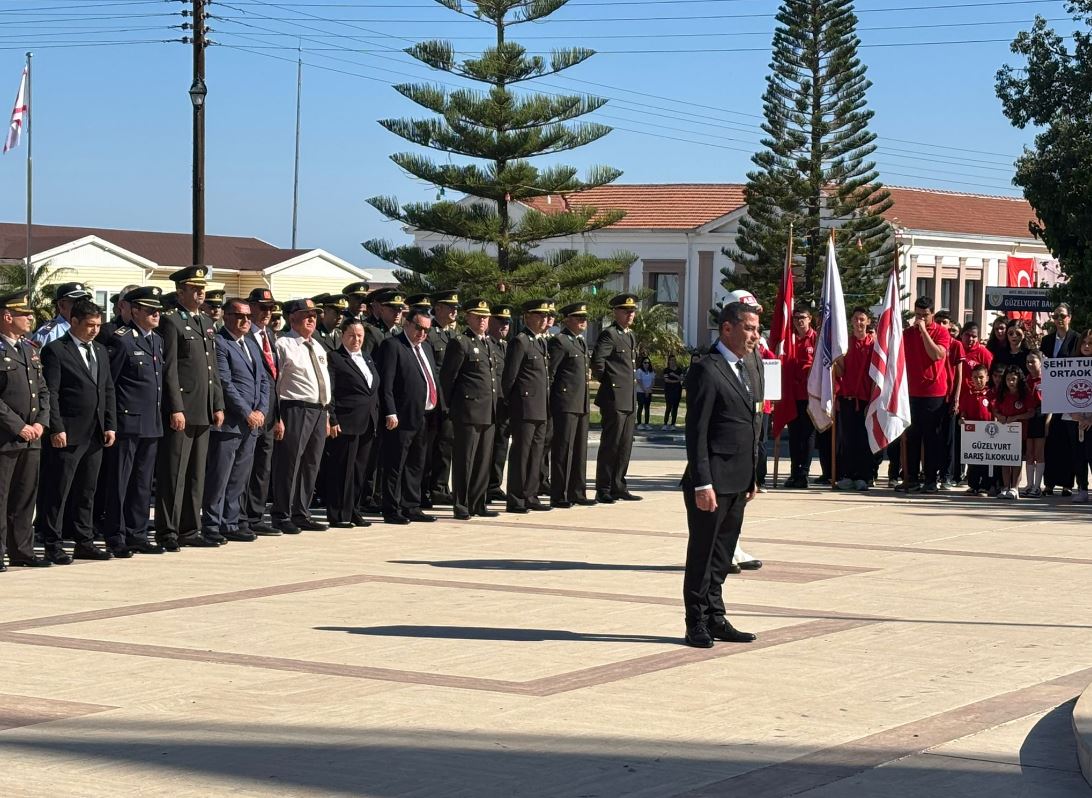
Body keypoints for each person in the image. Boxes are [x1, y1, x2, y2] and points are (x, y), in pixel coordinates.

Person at [681, 302, 764, 648]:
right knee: (703, 554)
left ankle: (715, 616)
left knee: (722, 555)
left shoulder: (752, 365)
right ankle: (695, 621)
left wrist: (754, 475)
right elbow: (696, 432)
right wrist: (703, 482)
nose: (755, 335)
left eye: (757, 329)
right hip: (712, 480)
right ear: (727, 328)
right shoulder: (707, 369)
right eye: (749, 328)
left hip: (739, 479)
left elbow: (755, 422)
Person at [36, 298, 116, 564]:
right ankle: (53, 543)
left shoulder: (100, 351)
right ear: (74, 322)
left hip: (95, 432)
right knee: (58, 491)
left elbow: (107, 389)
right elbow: (52, 393)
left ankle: (84, 541)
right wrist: (56, 427)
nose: (95, 330)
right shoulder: (56, 350)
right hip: (68, 433)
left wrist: (110, 424)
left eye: (98, 325)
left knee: (87, 491)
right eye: (90, 325)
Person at [155, 266, 225, 550]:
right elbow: (170, 368)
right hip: (183, 408)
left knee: (196, 474)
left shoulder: (206, 321)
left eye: (202, 289)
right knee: (174, 473)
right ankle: (168, 531)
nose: (200, 293)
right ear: (180, 292)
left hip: (203, 408)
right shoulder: (171, 321)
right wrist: (175, 407)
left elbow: (212, 369)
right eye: (194, 289)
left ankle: (190, 529)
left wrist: (217, 403)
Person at [102, 287, 167, 558]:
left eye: (158, 310)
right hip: (127, 422)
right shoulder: (122, 340)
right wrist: (111, 421)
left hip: (151, 422)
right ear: (135, 311)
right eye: (150, 310)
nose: (156, 315)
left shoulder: (157, 340)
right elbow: (110, 384)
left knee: (142, 483)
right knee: (120, 482)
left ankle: (137, 533)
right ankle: (116, 536)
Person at [203, 298, 270, 543]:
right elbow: (225, 382)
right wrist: (246, 412)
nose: (245, 321)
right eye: (239, 316)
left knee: (239, 476)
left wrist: (261, 410)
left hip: (252, 423)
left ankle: (230, 523)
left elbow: (263, 380)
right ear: (226, 316)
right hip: (231, 422)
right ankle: (212, 524)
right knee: (219, 476)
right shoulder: (220, 342)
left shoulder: (250, 344)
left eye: (248, 316)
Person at [270, 298, 332, 534]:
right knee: (290, 462)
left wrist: (327, 414)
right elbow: (275, 384)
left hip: (318, 410)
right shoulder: (283, 344)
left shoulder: (318, 346)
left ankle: (301, 512)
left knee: (311, 463)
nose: (312, 319)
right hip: (294, 408)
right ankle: (282, 514)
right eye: (306, 314)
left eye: (314, 315)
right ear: (292, 317)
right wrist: (277, 416)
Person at [376, 306, 442, 524]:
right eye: (418, 328)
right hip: (400, 417)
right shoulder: (393, 346)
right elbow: (386, 384)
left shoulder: (426, 348)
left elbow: (432, 379)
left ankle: (411, 505)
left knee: (416, 463)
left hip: (424, 415)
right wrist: (390, 411)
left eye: (427, 330)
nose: (422, 333)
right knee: (395, 464)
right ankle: (391, 508)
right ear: (407, 323)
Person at [0, 290, 51, 570]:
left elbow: (43, 391)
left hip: (32, 437)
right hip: (6, 438)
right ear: (8, 317)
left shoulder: (29, 349)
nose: (30, 318)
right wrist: (18, 426)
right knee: (1, 497)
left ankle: (22, 550)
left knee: (24, 498)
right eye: (24, 314)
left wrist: (41, 422)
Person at [439, 298, 500, 520]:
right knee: (465, 460)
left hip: (488, 410)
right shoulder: (461, 342)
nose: (482, 320)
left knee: (483, 460)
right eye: (478, 316)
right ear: (468, 317)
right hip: (467, 411)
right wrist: (449, 408)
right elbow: (448, 379)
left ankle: (478, 502)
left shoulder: (489, 343)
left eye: (485, 317)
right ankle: (461, 503)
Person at [323, 319, 380, 527]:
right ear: (342, 335)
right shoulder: (335, 358)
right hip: (346, 421)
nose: (356, 339)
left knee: (359, 470)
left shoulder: (367, 357)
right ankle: (338, 513)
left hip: (367, 421)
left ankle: (353, 509)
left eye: (360, 336)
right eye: (352, 335)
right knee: (342, 469)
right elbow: (330, 391)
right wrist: (332, 418)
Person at [502, 298, 554, 514]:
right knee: (521, 454)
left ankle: (530, 495)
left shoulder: (540, 342)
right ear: (527, 317)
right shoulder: (520, 341)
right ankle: (516, 498)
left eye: (545, 316)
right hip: (524, 407)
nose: (544, 319)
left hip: (541, 407)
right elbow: (509, 378)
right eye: (539, 315)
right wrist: (512, 406)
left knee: (536, 454)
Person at [592, 293, 641, 503]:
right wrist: (611, 384)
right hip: (614, 397)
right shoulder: (609, 334)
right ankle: (603, 488)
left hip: (629, 398)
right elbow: (598, 363)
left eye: (632, 311)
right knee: (611, 444)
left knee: (625, 445)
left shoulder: (630, 335)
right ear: (616, 312)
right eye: (626, 311)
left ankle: (618, 485)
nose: (630, 314)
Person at [241, 287, 283, 536]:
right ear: (251, 307)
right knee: (245, 466)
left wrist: (278, 417)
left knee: (262, 467)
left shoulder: (272, 337)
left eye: (270, 308)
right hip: (249, 411)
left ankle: (255, 515)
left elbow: (275, 380)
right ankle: (240, 516)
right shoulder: (244, 336)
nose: (267, 312)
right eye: (262, 307)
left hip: (269, 412)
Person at [901, 296, 952, 493]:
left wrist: (924, 332)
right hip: (911, 392)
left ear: (932, 314)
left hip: (934, 393)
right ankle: (911, 478)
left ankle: (931, 479)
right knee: (912, 437)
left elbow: (937, 354)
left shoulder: (941, 332)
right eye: (918, 315)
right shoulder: (907, 334)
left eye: (925, 315)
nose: (921, 318)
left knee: (931, 438)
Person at [548, 301, 595, 509]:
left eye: (584, 318)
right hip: (565, 403)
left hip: (581, 403)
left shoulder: (580, 342)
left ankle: (578, 491)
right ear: (567, 320)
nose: (583, 321)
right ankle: (560, 494)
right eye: (579, 318)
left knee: (579, 450)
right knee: (563, 449)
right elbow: (551, 374)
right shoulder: (560, 341)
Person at [834, 307, 876, 491]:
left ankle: (864, 476)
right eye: (855, 319)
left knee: (864, 440)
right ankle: (848, 475)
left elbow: (877, 376)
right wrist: (833, 360)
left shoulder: (873, 345)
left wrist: (873, 401)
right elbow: (840, 372)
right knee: (847, 439)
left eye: (862, 319)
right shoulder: (845, 345)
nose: (859, 323)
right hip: (847, 398)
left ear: (868, 322)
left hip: (866, 399)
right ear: (851, 322)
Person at [426, 289, 460, 506]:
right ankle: (428, 487)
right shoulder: (429, 334)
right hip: (434, 399)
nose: (454, 311)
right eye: (450, 307)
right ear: (437, 308)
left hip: (451, 399)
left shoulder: (454, 335)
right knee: (431, 445)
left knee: (446, 445)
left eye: (456, 308)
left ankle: (440, 486)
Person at [1043, 305, 1079, 496]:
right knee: (1051, 439)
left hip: (1072, 397)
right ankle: (1049, 483)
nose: (1059, 319)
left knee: (1069, 441)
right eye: (1055, 315)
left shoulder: (1077, 339)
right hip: (1052, 396)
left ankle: (1067, 484)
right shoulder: (1047, 340)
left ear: (1069, 317)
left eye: (1062, 316)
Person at [783, 304, 817, 488]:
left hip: (810, 395)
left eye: (802, 317)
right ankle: (794, 472)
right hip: (792, 395)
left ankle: (804, 473)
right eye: (795, 318)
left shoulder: (817, 339)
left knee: (808, 435)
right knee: (794, 435)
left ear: (810, 319)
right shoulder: (789, 340)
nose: (799, 321)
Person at [993, 366, 1034, 499]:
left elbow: (1031, 412)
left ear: (1019, 379)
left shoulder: (1025, 394)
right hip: (1004, 431)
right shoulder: (1002, 393)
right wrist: (999, 416)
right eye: (1008, 379)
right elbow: (995, 409)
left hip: (1019, 433)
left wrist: (1016, 417)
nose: (1011, 382)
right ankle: (1005, 487)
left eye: (1014, 379)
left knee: (1016, 460)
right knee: (1005, 459)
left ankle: (1014, 488)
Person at [487, 304, 513, 502]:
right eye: (500, 322)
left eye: (507, 323)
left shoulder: (507, 346)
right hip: (489, 404)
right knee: (486, 447)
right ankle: (483, 486)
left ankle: (494, 485)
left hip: (503, 403)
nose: (504, 326)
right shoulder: (486, 344)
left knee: (501, 445)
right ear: (491, 322)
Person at [958, 363, 994, 495]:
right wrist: (962, 419)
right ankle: (973, 485)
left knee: (986, 460)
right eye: (975, 377)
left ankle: (985, 485)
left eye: (981, 377)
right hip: (973, 434)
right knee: (973, 460)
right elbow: (963, 412)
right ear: (971, 379)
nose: (978, 380)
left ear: (987, 378)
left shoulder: (991, 394)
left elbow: (995, 411)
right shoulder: (968, 394)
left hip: (988, 432)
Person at [30, 282, 92, 348]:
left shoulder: (90, 330)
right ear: (61, 305)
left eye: (84, 302)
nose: (82, 306)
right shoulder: (49, 334)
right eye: (77, 302)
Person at [1069, 330, 1092, 503]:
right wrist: (1073, 413)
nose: (1086, 346)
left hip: (1091, 421)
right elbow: (1062, 392)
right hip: (1074, 419)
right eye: (1083, 343)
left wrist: (1090, 419)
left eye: (1090, 343)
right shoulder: (1071, 365)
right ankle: (1082, 488)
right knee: (1078, 456)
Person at [1023, 350, 1046, 497]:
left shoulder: (1046, 379)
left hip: (1041, 416)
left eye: (1033, 361)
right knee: (1029, 453)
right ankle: (1029, 484)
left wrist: (1048, 423)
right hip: (1028, 416)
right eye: (1028, 362)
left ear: (1041, 362)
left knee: (1039, 453)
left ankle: (1037, 486)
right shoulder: (1026, 380)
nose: (1030, 364)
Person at [662, 355, 684, 430]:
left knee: (675, 407)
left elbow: (682, 378)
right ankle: (665, 424)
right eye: (671, 360)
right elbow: (666, 380)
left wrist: (674, 375)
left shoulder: (679, 370)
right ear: (669, 361)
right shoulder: (666, 370)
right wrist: (676, 381)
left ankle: (673, 424)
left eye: (674, 360)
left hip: (677, 391)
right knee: (668, 407)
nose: (672, 361)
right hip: (669, 391)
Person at [635, 357, 655, 430]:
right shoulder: (639, 371)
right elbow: (639, 381)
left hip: (648, 392)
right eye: (645, 363)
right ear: (642, 363)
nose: (647, 364)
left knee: (647, 408)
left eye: (648, 363)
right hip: (640, 391)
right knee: (640, 407)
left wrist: (648, 389)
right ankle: (639, 423)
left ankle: (646, 424)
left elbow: (653, 382)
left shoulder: (651, 372)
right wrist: (645, 390)